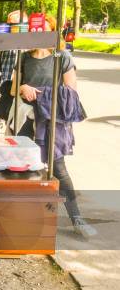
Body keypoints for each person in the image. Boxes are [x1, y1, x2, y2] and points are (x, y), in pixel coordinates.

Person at [9, 15, 95, 238]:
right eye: (36, 30)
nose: (40, 34)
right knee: (24, 168)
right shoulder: (24, 58)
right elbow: (12, 89)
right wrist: (23, 87)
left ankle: (77, 218)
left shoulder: (62, 57)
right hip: (26, 121)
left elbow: (71, 91)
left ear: (53, 33)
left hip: (52, 122)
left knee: (58, 170)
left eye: (45, 30)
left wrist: (41, 95)